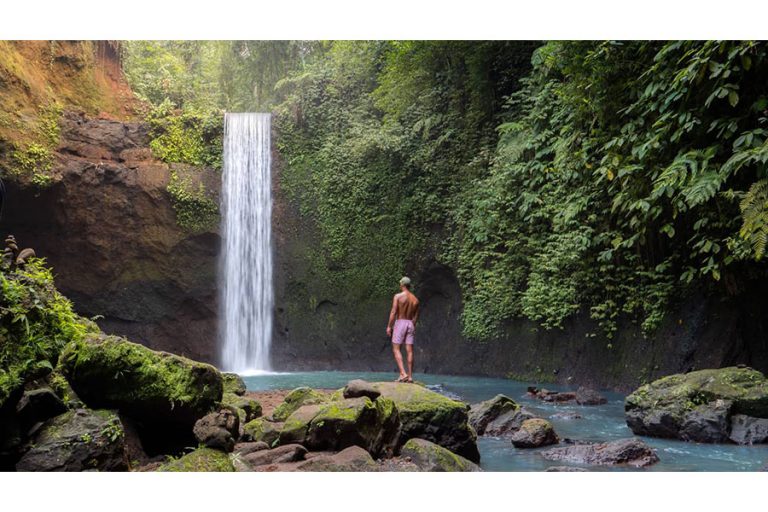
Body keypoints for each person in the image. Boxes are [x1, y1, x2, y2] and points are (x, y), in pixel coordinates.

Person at [386, 276, 420, 383]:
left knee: (396, 348)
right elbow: (415, 317)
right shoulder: (415, 300)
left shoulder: (398, 296)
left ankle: (402, 373)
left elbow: (393, 312)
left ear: (402, 285)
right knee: (409, 350)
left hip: (400, 322)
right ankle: (410, 377)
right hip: (410, 323)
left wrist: (389, 326)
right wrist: (412, 326)